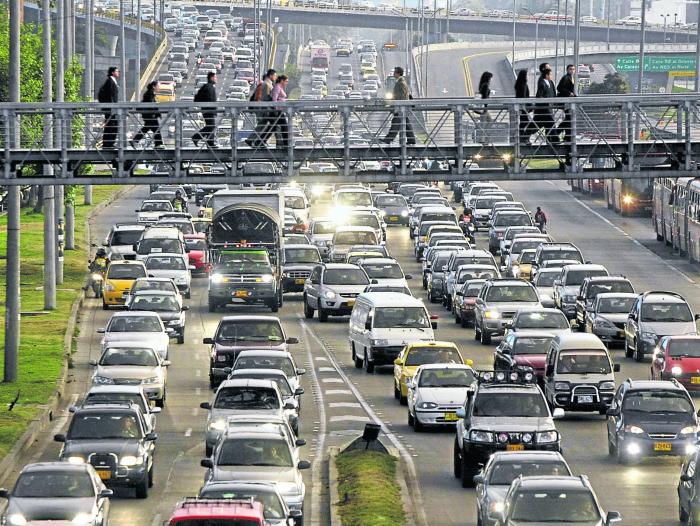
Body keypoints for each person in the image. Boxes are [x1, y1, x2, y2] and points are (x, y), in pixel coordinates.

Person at [381, 66, 416, 145]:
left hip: (400, 108)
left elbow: (401, 96)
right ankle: (411, 140)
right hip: (402, 108)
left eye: (395, 72)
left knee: (396, 122)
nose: (393, 74)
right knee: (406, 124)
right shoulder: (401, 82)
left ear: (398, 73)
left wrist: (396, 104)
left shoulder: (401, 83)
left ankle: (389, 139)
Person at [246, 69, 277, 148]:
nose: (275, 77)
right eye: (274, 75)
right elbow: (265, 98)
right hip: (263, 109)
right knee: (272, 124)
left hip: (263, 109)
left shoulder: (267, 84)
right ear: (270, 76)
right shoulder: (266, 85)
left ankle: (256, 141)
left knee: (264, 124)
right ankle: (259, 141)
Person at [130, 81, 164, 149]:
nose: (159, 87)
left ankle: (135, 141)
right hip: (150, 116)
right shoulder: (149, 94)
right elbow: (151, 106)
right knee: (156, 129)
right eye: (158, 86)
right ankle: (158, 144)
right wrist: (157, 113)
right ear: (154, 86)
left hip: (149, 115)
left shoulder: (150, 93)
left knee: (146, 128)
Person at [192, 72, 218, 148]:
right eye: (215, 77)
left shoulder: (207, 87)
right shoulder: (208, 87)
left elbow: (198, 98)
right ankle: (198, 138)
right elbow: (210, 100)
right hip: (208, 110)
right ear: (212, 78)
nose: (216, 79)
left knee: (210, 126)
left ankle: (208, 142)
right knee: (211, 126)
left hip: (207, 110)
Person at [97, 66, 120, 149]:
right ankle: (108, 144)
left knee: (111, 125)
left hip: (111, 108)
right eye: (117, 71)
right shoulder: (110, 82)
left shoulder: (112, 81)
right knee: (112, 125)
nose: (118, 73)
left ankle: (109, 143)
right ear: (113, 72)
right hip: (111, 109)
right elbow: (110, 96)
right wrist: (113, 108)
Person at [534, 66, 558, 143]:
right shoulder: (542, 83)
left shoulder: (551, 83)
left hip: (549, 108)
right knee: (551, 123)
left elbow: (553, 94)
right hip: (543, 109)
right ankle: (555, 139)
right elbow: (539, 96)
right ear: (547, 75)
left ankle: (550, 140)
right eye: (550, 74)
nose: (551, 76)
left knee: (544, 125)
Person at [557, 64, 577, 143]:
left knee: (569, 119)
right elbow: (559, 88)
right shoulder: (566, 77)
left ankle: (567, 136)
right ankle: (556, 133)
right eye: (570, 69)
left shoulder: (572, 78)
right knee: (568, 119)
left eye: (573, 69)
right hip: (566, 102)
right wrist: (569, 93)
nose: (572, 71)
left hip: (570, 102)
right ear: (567, 70)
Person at [514, 69, 533, 143]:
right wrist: (528, 106)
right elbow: (524, 96)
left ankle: (522, 137)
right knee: (525, 121)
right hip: (523, 107)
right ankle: (523, 137)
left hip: (521, 106)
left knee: (523, 122)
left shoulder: (519, 83)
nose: (528, 76)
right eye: (527, 75)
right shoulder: (523, 84)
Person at [271, 74, 289, 148]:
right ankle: (286, 144)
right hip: (278, 111)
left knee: (282, 128)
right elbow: (274, 99)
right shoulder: (277, 87)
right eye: (286, 81)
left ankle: (284, 144)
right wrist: (275, 109)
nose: (287, 83)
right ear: (282, 81)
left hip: (280, 111)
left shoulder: (280, 87)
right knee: (284, 127)